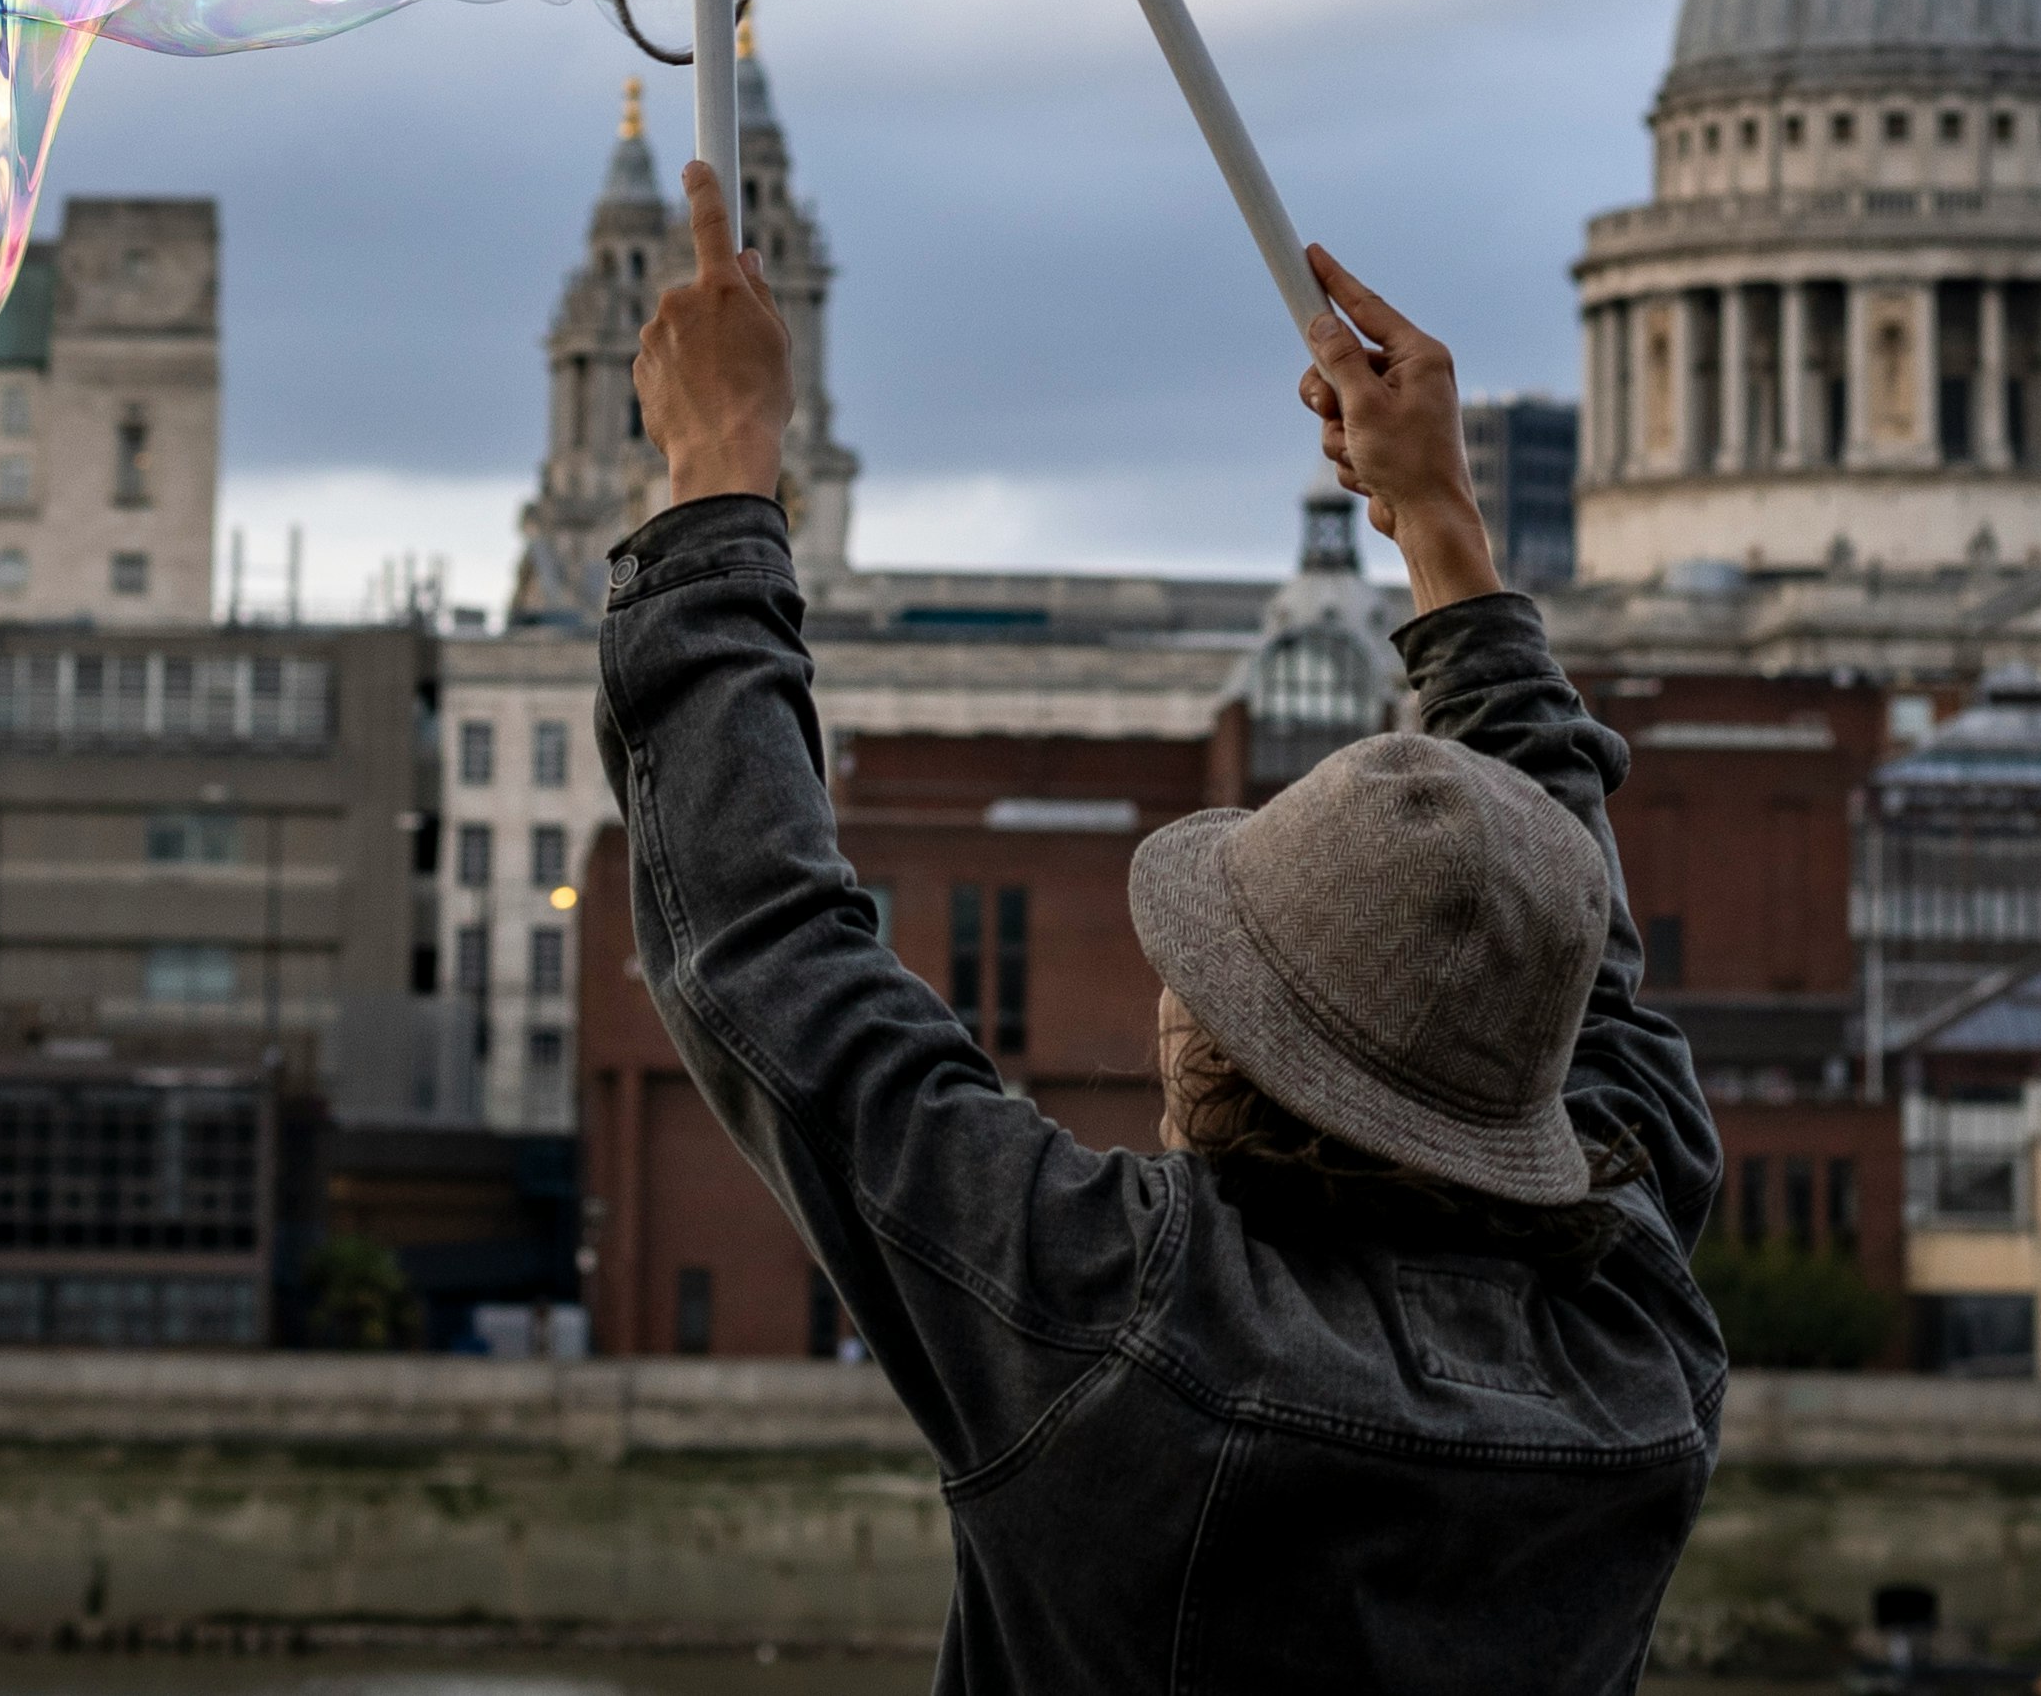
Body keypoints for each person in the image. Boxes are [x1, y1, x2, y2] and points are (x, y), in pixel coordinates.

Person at [600, 160, 1723, 1691]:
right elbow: (766, 944)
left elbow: (761, 943)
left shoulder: (1127, 1323)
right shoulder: (1633, 1348)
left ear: (1229, 1043)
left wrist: (716, 458)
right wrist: (1442, 529)